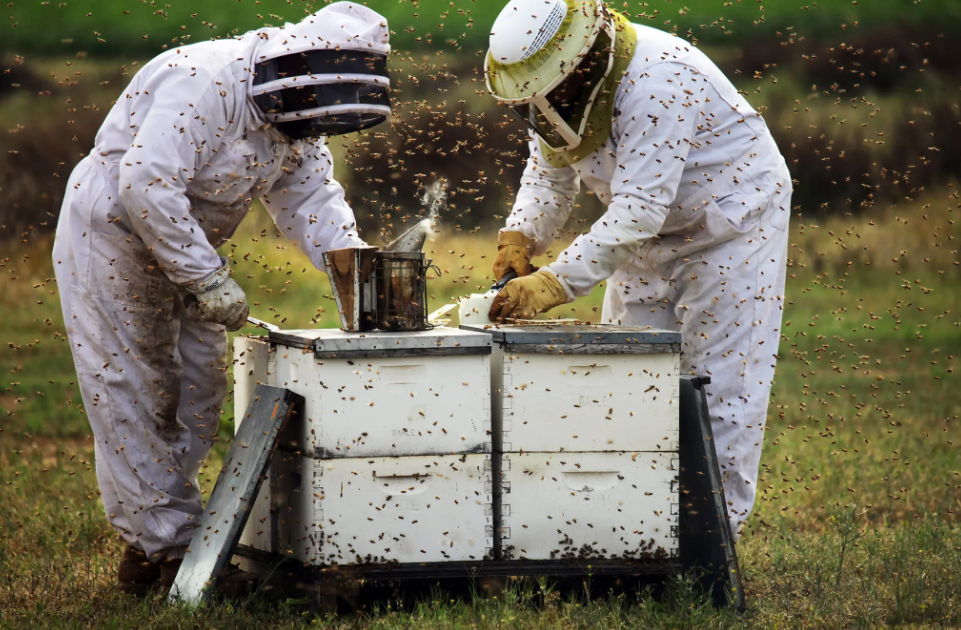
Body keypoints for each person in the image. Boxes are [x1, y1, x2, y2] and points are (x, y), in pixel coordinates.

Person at [52, 2, 391, 595]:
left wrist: (352, 260)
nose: (314, 129)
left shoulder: (297, 118)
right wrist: (206, 278)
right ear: (297, 74)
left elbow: (313, 197)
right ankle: (173, 553)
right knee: (134, 386)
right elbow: (146, 185)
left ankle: (149, 540)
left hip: (191, 246)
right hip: (111, 235)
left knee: (198, 387)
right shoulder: (206, 80)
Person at [485, 0, 791, 540]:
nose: (545, 106)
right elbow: (550, 171)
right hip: (642, 235)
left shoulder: (658, 78)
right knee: (628, 382)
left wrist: (553, 281)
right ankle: (633, 541)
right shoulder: (553, 89)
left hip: (730, 228)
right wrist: (521, 235)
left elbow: (637, 211)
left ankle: (709, 552)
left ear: (580, 62)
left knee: (719, 389)